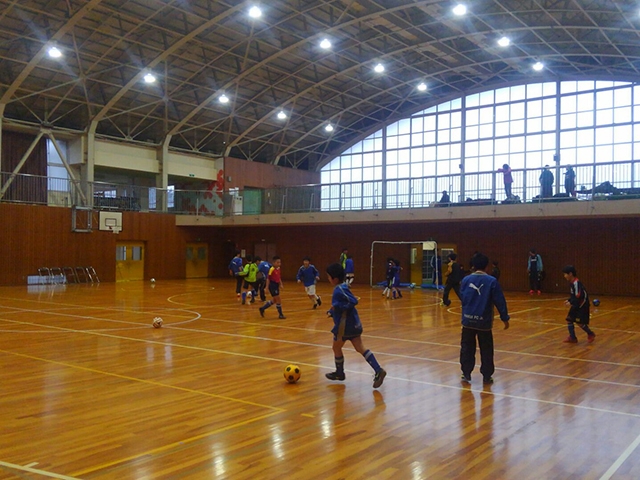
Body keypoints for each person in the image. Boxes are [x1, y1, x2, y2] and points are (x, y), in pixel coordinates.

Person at [324, 263, 387, 388]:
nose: (328, 279)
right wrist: (332, 311)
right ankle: (378, 370)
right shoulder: (342, 287)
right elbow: (341, 304)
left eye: (328, 276)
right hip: (354, 324)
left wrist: (339, 308)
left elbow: (353, 301)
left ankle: (340, 373)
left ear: (334, 278)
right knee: (360, 348)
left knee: (336, 347)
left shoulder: (339, 289)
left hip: (344, 325)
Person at [460, 252, 510, 384]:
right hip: (484, 322)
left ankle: (466, 373)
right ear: (487, 266)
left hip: (468, 321)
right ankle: (487, 376)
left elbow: (463, 298)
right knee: (486, 349)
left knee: (466, 348)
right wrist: (504, 318)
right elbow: (500, 300)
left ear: (473, 266)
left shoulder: (466, 280)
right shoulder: (491, 281)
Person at [561, 265, 595, 344]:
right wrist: (569, 300)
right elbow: (574, 295)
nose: (564, 276)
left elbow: (579, 296)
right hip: (576, 304)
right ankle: (572, 337)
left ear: (570, 274)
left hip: (581, 305)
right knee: (569, 319)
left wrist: (571, 302)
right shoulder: (572, 283)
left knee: (580, 322)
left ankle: (590, 333)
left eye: (565, 274)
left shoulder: (577, 283)